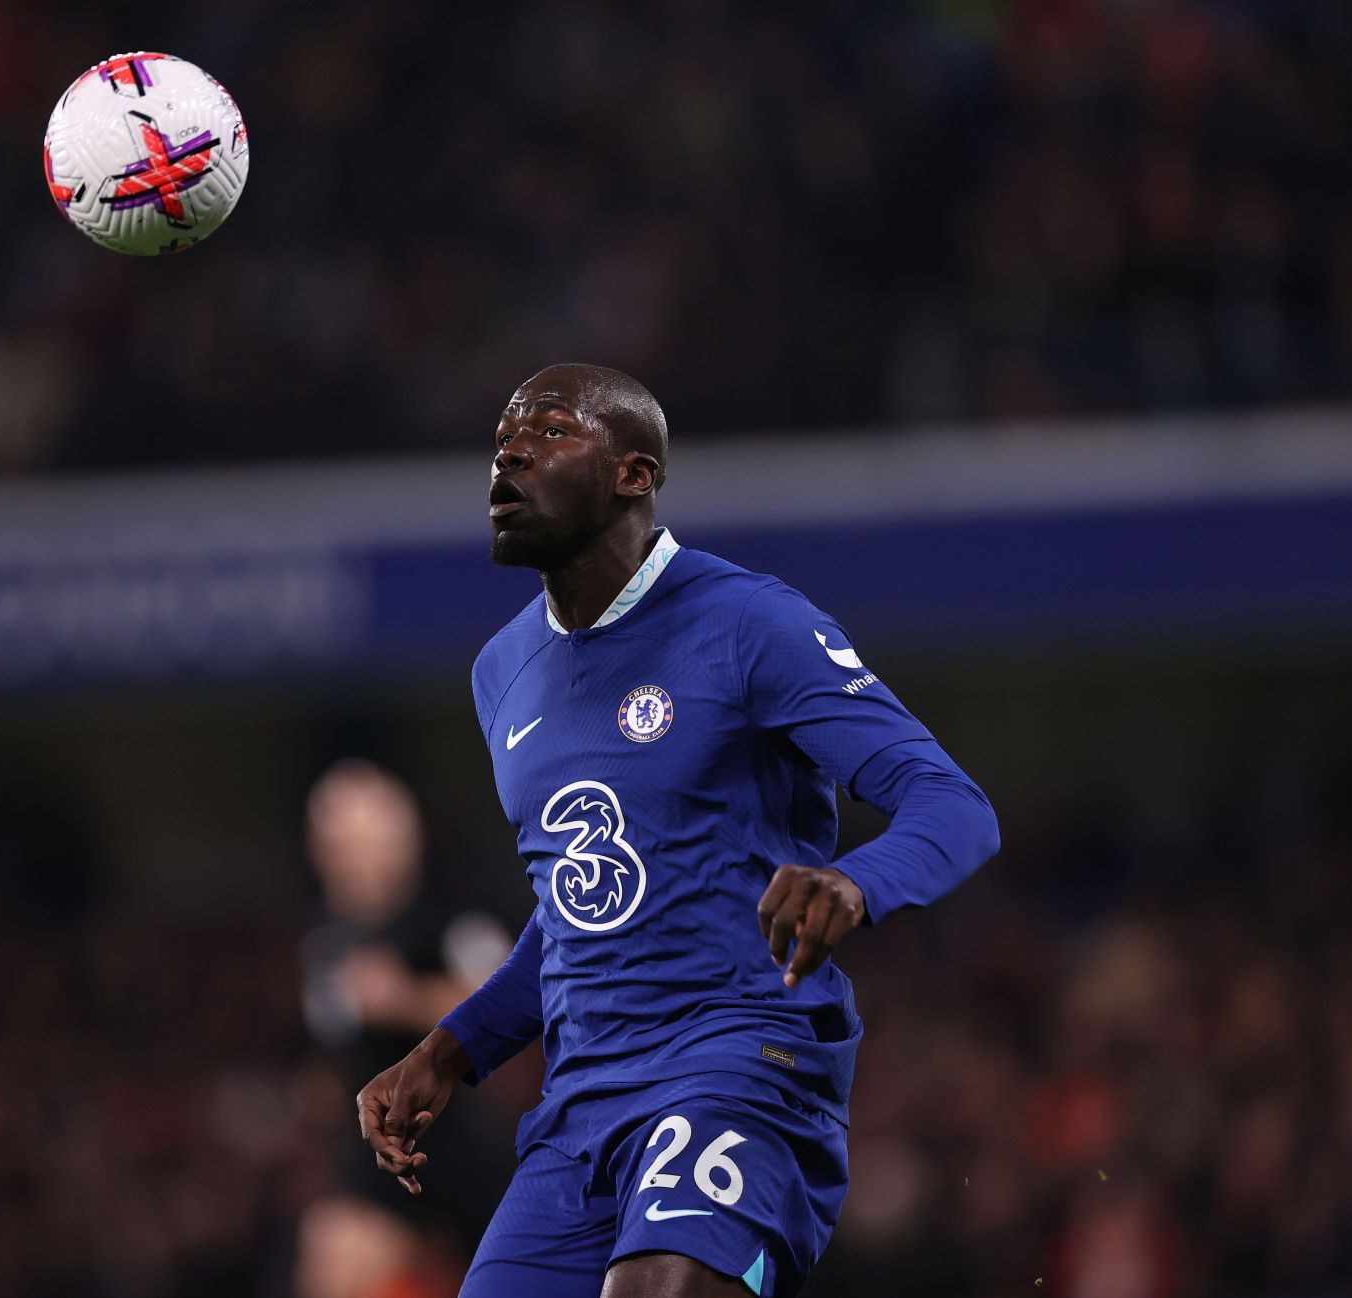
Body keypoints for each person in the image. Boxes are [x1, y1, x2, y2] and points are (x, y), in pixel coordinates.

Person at [356, 364, 1001, 1297]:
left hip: (739, 1062)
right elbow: (581, 904)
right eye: (503, 435)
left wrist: (856, 881)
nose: (511, 450)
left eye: (549, 431)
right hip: (579, 1108)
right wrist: (448, 1053)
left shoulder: (749, 623)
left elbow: (952, 803)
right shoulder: (501, 673)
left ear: (634, 474)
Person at [298, 759, 517, 1297]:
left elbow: (504, 999)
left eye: (376, 837)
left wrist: (407, 998)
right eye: (345, 842)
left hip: (465, 1141)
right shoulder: (327, 938)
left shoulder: (452, 912)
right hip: (380, 1155)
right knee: (332, 1247)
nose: (362, 857)